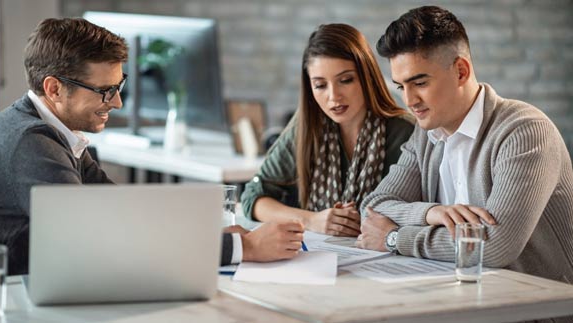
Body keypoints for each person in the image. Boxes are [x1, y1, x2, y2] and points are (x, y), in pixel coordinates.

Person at [0, 18, 302, 275]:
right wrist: (241, 249)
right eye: (104, 90)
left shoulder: (54, 131)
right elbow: (102, 241)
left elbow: (122, 211)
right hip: (12, 302)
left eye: (119, 87)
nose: (116, 102)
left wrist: (208, 232)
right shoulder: (30, 143)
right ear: (54, 88)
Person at [357, 5, 573, 286]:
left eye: (419, 82)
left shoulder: (525, 131)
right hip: (461, 299)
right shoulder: (427, 135)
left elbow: (494, 246)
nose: (409, 101)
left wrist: (394, 238)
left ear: (460, 71)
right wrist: (429, 212)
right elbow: (373, 209)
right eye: (401, 87)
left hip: (536, 310)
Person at [241, 23, 414, 237]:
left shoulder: (406, 133)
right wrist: (311, 220)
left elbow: (415, 213)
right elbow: (253, 197)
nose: (334, 97)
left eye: (345, 80)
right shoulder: (308, 128)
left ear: (366, 77)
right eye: (320, 85)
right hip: (318, 257)